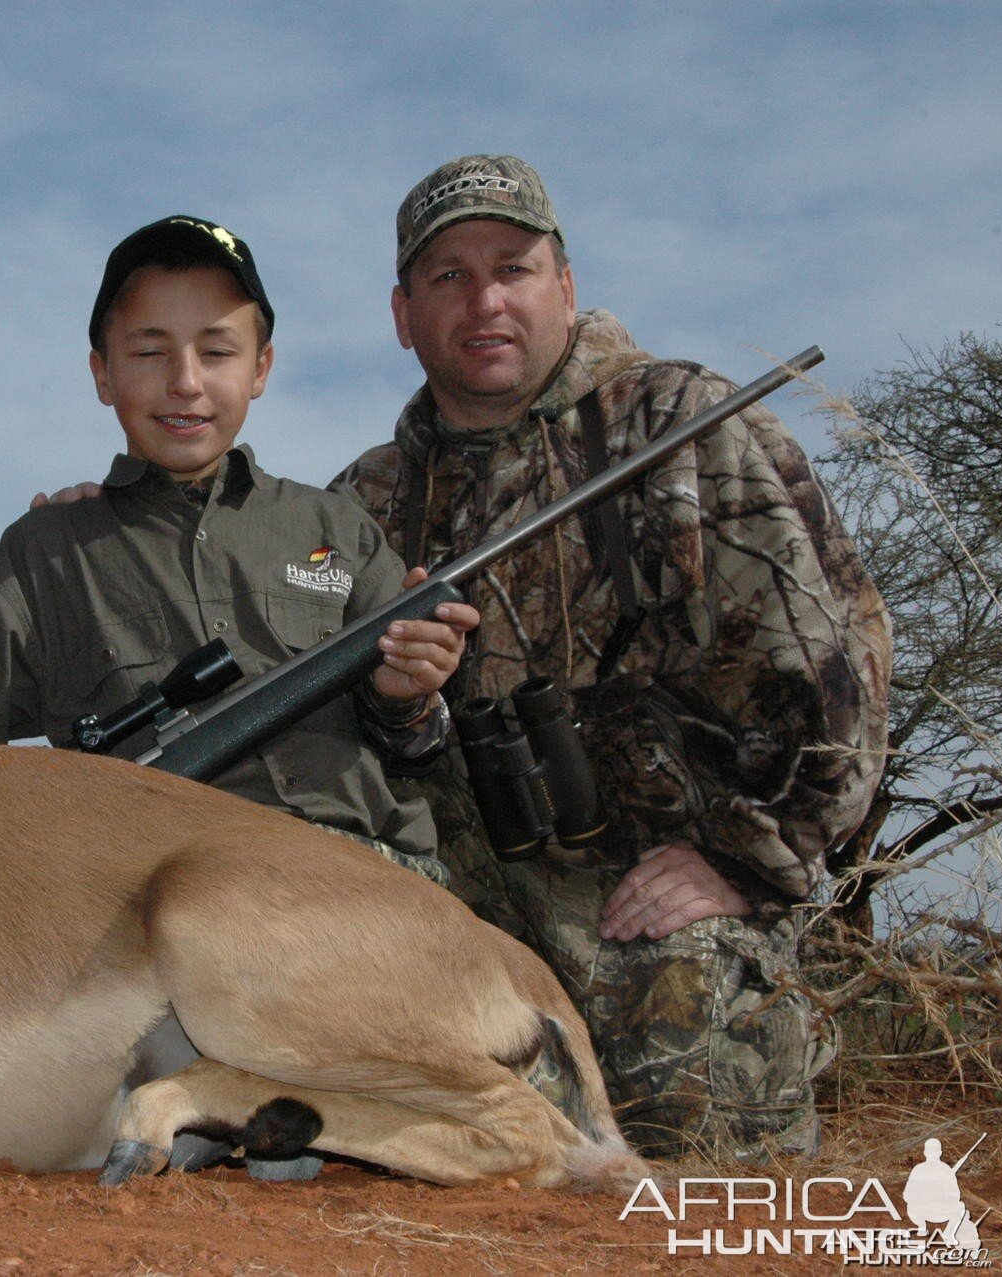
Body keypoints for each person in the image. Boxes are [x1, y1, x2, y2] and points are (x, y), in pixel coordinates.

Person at [330, 155, 892, 1158]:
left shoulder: (682, 421)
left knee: (704, 1166)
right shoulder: (359, 504)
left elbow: (833, 665)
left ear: (568, 287)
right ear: (403, 312)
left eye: (514, 267)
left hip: (652, 896)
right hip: (457, 905)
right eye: (448, 277)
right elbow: (298, 708)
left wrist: (747, 855)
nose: (485, 299)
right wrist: (400, 707)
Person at [0, 215, 478, 883]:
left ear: (261, 368)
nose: (185, 381)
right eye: (149, 352)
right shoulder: (43, 552)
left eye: (217, 351)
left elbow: (421, 741)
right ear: (102, 374)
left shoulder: (338, 528)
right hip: (148, 887)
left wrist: (404, 694)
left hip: (366, 871)